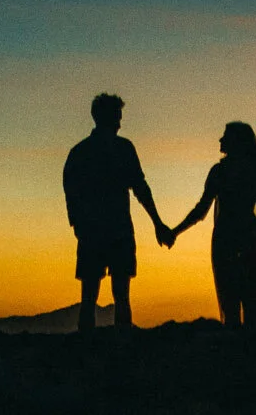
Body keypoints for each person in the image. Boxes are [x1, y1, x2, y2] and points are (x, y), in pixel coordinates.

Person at [62, 93, 164, 333]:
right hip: (117, 230)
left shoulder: (80, 152)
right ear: (109, 118)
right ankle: (123, 347)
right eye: (118, 117)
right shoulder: (123, 149)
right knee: (121, 294)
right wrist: (157, 223)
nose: (120, 123)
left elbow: (70, 188)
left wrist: (77, 222)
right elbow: (140, 187)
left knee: (89, 295)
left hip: (92, 231)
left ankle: (87, 347)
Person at [161, 120, 256, 327]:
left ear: (236, 141)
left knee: (233, 303)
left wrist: (175, 232)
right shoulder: (255, 172)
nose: (220, 139)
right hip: (247, 238)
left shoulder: (221, 172)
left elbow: (201, 210)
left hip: (228, 239)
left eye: (225, 136)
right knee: (250, 303)